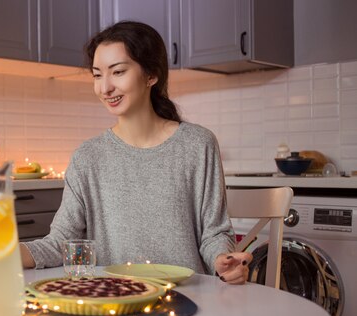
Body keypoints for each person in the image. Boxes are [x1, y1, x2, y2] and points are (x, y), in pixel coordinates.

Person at [20, 21, 252, 285]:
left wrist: (224, 259)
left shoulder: (198, 144)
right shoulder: (87, 157)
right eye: (97, 75)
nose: (104, 88)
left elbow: (214, 233)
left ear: (151, 75)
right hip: (114, 299)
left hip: (189, 297)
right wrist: (0, 253)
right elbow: (60, 243)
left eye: (117, 72)